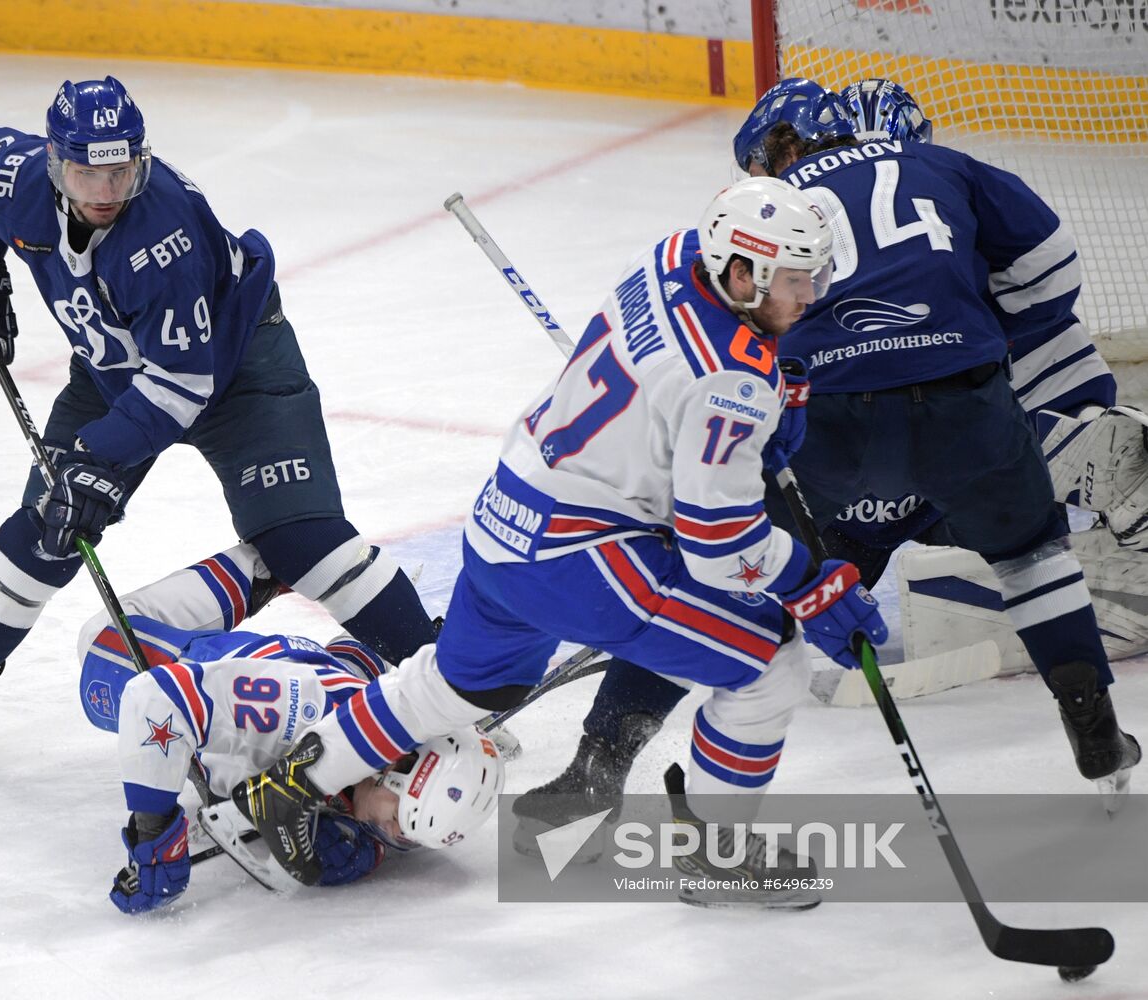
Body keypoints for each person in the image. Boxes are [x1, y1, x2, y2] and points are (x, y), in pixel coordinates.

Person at [214, 177, 887, 910]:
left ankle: (286, 788)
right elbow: (718, 544)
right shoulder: (733, 382)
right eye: (794, 280)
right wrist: (810, 582)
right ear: (740, 272)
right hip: (583, 558)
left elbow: (660, 392)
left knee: (449, 686)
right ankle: (718, 856)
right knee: (765, 665)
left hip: (506, 518)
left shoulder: (669, 258)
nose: (809, 296)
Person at [523, 77, 1140, 827]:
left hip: (830, 435)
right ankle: (1092, 721)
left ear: (782, 146)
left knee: (725, 592)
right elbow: (1050, 275)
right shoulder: (945, 171)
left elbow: (730, 341)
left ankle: (599, 766)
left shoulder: (773, 218)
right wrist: (964, 330)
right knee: (1031, 552)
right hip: (966, 418)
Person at [0, 77, 439, 775]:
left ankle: (447, 681)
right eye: (87, 170)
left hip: (237, 372)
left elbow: (180, 381)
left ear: (142, 159)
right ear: (54, 161)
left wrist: (96, 458)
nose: (106, 189)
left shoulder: (160, 231)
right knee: (44, 527)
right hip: (110, 372)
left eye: (121, 169)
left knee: (302, 538)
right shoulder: (16, 177)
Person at [73, 542, 503, 912]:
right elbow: (153, 699)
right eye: (399, 822)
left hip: (314, 669)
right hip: (169, 661)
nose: (391, 839)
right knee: (97, 638)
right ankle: (280, 552)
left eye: (406, 836)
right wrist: (155, 838)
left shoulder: (382, 740)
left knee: (359, 681)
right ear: (396, 764)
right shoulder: (296, 711)